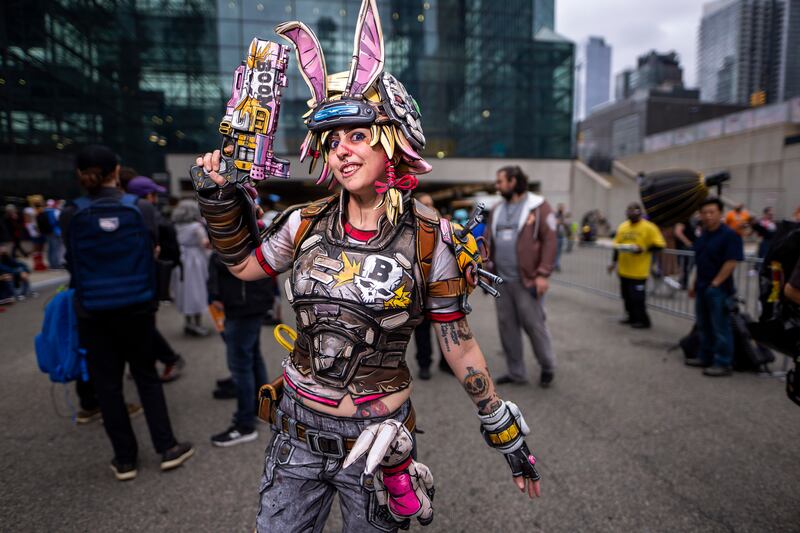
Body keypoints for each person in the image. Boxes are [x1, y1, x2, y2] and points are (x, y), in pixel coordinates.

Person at [195, 5, 541, 529]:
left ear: (391, 142)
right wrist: (218, 200)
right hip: (296, 436)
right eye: (332, 142)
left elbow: (458, 341)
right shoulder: (303, 223)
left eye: (357, 136)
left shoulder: (431, 237)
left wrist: (502, 428)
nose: (342, 152)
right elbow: (245, 266)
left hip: (381, 444)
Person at [60, 144, 193, 480]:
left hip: (92, 310)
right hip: (136, 307)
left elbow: (70, 262)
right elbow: (152, 251)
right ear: (116, 171)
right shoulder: (139, 209)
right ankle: (167, 448)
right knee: (146, 376)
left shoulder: (71, 212)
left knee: (107, 385)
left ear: (79, 175)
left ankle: (125, 460)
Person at [484, 165, 557, 387]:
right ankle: (516, 372)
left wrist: (543, 274)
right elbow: (487, 242)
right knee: (507, 328)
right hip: (502, 282)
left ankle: (547, 366)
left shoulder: (539, 207)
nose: (497, 186)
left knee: (534, 326)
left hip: (527, 281)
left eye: (500, 182)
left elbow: (551, 241)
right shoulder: (497, 209)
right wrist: (486, 270)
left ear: (513, 182)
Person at [207, 252, 274, 446]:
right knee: (251, 357)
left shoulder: (239, 226)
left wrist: (215, 291)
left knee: (240, 364)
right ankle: (264, 407)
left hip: (242, 301)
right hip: (249, 299)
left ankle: (245, 424)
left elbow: (232, 256)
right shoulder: (253, 226)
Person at [126, 175, 187, 382]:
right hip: (142, 281)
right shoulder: (146, 213)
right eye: (152, 194)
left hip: (144, 281)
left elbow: (163, 246)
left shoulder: (148, 215)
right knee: (139, 327)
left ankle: (165, 359)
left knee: (142, 326)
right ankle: (150, 363)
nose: (154, 199)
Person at [686, 197, 744, 377]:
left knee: (721, 327)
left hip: (719, 289)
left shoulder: (729, 235)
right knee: (704, 325)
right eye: (705, 213)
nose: (708, 216)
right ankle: (706, 356)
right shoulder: (703, 235)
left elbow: (731, 262)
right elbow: (700, 262)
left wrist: (716, 283)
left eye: (712, 212)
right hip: (702, 287)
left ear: (720, 213)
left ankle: (723, 362)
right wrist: (693, 283)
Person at [411, 192, 452, 379]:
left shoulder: (444, 226)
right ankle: (424, 364)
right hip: (420, 288)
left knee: (446, 327)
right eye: (426, 204)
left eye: (432, 203)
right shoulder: (410, 228)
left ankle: (448, 362)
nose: (431, 207)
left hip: (442, 286)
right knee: (422, 329)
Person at [607, 203, 666, 329]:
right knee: (626, 296)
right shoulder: (623, 227)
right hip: (624, 270)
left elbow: (660, 244)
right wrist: (613, 263)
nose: (631, 214)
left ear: (640, 213)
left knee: (638, 298)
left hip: (639, 271)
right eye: (629, 212)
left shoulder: (649, 227)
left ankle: (643, 320)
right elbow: (616, 246)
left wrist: (643, 249)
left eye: (634, 212)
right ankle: (631, 317)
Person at [170, 199, 210, 336]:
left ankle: (188, 323)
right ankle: (197, 324)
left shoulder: (175, 226)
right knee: (197, 290)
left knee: (184, 291)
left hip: (181, 259)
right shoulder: (196, 227)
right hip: (195, 260)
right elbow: (205, 243)